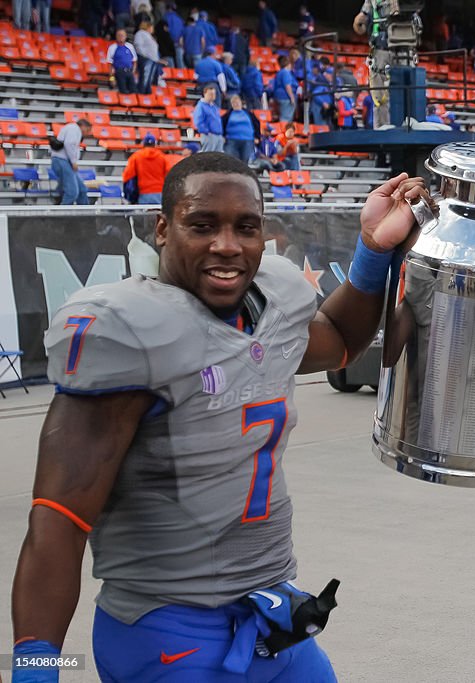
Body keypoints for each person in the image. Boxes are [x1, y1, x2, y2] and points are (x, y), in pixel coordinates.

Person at [11, 152, 432, 682]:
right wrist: (34, 671)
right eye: (202, 225)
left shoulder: (271, 297)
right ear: (163, 229)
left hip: (269, 617)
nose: (227, 245)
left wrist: (372, 248)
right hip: (166, 630)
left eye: (245, 227)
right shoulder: (127, 330)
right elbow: (58, 520)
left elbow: (343, 341)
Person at [353, 0, 391, 127]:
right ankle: (381, 127)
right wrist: (360, 22)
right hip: (379, 47)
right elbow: (360, 21)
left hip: (400, 47)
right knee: (379, 95)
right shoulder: (372, 1)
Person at [50, 118, 92, 205]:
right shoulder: (74, 128)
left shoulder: (72, 129)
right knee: (72, 193)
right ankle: (60, 215)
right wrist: (74, 161)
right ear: (83, 126)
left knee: (82, 190)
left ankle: (84, 214)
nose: (87, 133)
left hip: (65, 161)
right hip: (62, 161)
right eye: (87, 130)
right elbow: (69, 144)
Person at [121, 133, 168, 204]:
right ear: (154, 144)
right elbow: (168, 174)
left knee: (144, 214)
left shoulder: (136, 157)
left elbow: (127, 175)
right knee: (159, 214)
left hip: (144, 192)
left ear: (143, 144)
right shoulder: (162, 157)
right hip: (159, 191)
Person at [222, 94, 260, 163]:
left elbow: (256, 124)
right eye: (233, 102)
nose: (235, 104)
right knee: (232, 161)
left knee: (246, 161)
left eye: (237, 102)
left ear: (241, 103)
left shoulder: (248, 113)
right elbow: (222, 124)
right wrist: (223, 136)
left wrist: (257, 137)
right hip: (231, 140)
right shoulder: (228, 115)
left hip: (248, 140)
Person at [193, 84, 225, 152]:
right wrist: (206, 132)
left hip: (218, 135)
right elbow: (198, 121)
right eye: (210, 94)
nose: (213, 96)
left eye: (214, 94)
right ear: (205, 94)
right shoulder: (201, 106)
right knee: (208, 156)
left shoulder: (214, 107)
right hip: (209, 135)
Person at [106, 29, 138, 95]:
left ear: (126, 36)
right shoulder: (112, 48)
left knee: (134, 91)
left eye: (122, 35)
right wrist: (112, 79)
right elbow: (110, 65)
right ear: (116, 36)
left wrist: (133, 72)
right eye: (119, 35)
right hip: (119, 72)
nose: (121, 37)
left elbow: (134, 61)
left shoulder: (130, 46)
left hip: (129, 72)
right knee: (123, 92)